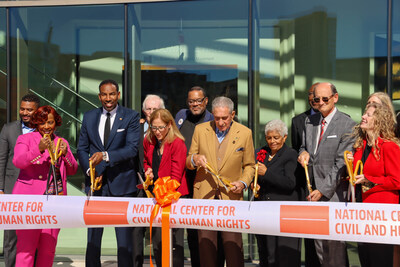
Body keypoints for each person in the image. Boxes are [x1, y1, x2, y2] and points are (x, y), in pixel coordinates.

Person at [77, 79, 140, 267]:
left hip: (122, 185)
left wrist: (105, 156)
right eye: (104, 94)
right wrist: (90, 170)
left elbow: (132, 149)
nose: (108, 98)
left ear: (118, 95)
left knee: (124, 242)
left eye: (111, 94)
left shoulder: (131, 116)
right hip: (96, 187)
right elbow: (81, 148)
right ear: (99, 96)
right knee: (93, 239)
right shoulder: (89, 117)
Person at [186, 96, 255, 267]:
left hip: (231, 196)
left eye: (225, 118)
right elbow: (188, 161)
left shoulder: (245, 133)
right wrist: (195, 159)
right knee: (206, 248)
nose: (221, 122)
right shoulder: (201, 130)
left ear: (233, 114)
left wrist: (243, 183)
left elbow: (250, 165)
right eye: (217, 118)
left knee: (233, 247)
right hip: (205, 196)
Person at [298, 82, 356, 267]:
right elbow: (304, 147)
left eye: (325, 98)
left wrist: (322, 190)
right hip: (313, 193)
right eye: (316, 99)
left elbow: (342, 163)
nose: (321, 102)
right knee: (320, 248)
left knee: (335, 249)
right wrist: (303, 153)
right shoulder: (310, 121)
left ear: (335, 98)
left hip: (334, 194)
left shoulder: (347, 124)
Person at [12, 105, 78, 267]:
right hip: (28, 204)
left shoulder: (62, 142)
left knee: (48, 251)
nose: (46, 127)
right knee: (25, 250)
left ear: (56, 123)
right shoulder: (25, 139)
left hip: (54, 203)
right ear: (36, 124)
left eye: (49, 122)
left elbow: (72, 169)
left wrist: (66, 154)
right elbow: (18, 162)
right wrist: (38, 149)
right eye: (42, 123)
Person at [349, 103, 400, 267]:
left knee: (379, 260)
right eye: (365, 113)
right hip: (362, 212)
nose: (363, 117)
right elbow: (354, 177)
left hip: (380, 215)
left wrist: (368, 179)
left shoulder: (389, 147)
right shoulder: (359, 147)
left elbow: (397, 180)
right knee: (365, 259)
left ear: (379, 121)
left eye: (369, 115)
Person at [143, 108, 188, 267]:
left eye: (161, 127)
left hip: (173, 198)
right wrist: (147, 170)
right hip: (156, 197)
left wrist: (164, 194)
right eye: (154, 127)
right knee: (157, 242)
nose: (157, 131)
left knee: (174, 243)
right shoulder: (149, 140)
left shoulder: (177, 143)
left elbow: (176, 175)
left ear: (169, 125)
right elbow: (147, 162)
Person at [175, 86, 214, 267]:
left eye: (199, 100)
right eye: (191, 101)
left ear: (206, 101)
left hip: (207, 183)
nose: (195, 104)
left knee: (207, 229)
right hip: (185, 183)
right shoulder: (181, 117)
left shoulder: (214, 120)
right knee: (190, 230)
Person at [0, 94, 40, 267]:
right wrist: (0, 188)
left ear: (37, 111)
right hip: (12, 189)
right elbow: (1, 160)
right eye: (22, 108)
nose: (25, 112)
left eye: (29, 110)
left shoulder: (44, 129)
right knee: (11, 236)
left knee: (36, 233)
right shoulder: (8, 129)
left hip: (37, 189)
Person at [255, 119, 301, 267]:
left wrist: (266, 173)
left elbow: (289, 183)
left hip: (283, 212)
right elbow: (254, 175)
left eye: (276, 137)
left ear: (284, 137)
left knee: (283, 256)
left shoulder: (290, 154)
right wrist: (253, 184)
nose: (272, 141)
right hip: (263, 210)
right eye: (269, 138)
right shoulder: (261, 152)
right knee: (265, 252)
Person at [291, 83, 321, 267]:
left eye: (319, 95)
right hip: (306, 187)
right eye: (312, 94)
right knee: (310, 234)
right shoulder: (298, 121)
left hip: (329, 187)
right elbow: (297, 150)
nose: (315, 99)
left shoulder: (343, 120)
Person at [133, 94, 165, 267]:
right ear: (144, 111)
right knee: (137, 231)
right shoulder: (136, 128)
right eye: (148, 109)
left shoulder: (168, 130)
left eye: (155, 109)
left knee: (159, 233)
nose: (151, 112)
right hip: (138, 186)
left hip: (161, 188)